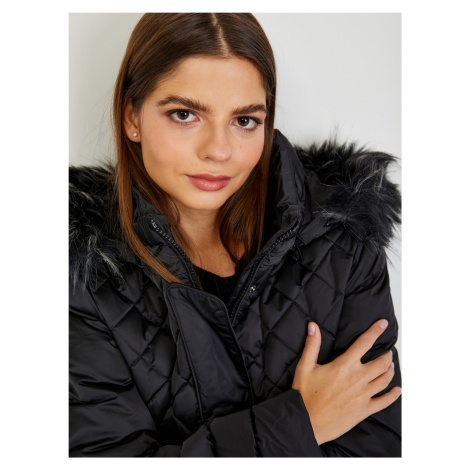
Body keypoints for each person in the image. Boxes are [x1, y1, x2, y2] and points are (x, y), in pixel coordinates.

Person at [69, 13, 401, 457]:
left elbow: (378, 446)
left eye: (244, 120)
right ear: (132, 116)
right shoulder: (80, 273)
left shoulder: (342, 241)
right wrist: (302, 423)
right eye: (184, 114)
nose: (219, 150)